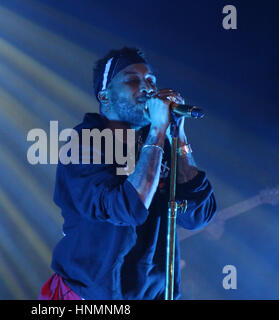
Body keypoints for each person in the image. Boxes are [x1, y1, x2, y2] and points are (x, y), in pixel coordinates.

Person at [39, 47, 217, 300]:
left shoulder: (159, 144)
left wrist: (178, 135)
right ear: (105, 96)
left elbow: (199, 215)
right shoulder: (83, 145)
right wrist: (157, 131)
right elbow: (129, 208)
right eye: (133, 80)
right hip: (90, 297)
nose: (147, 88)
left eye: (151, 81)